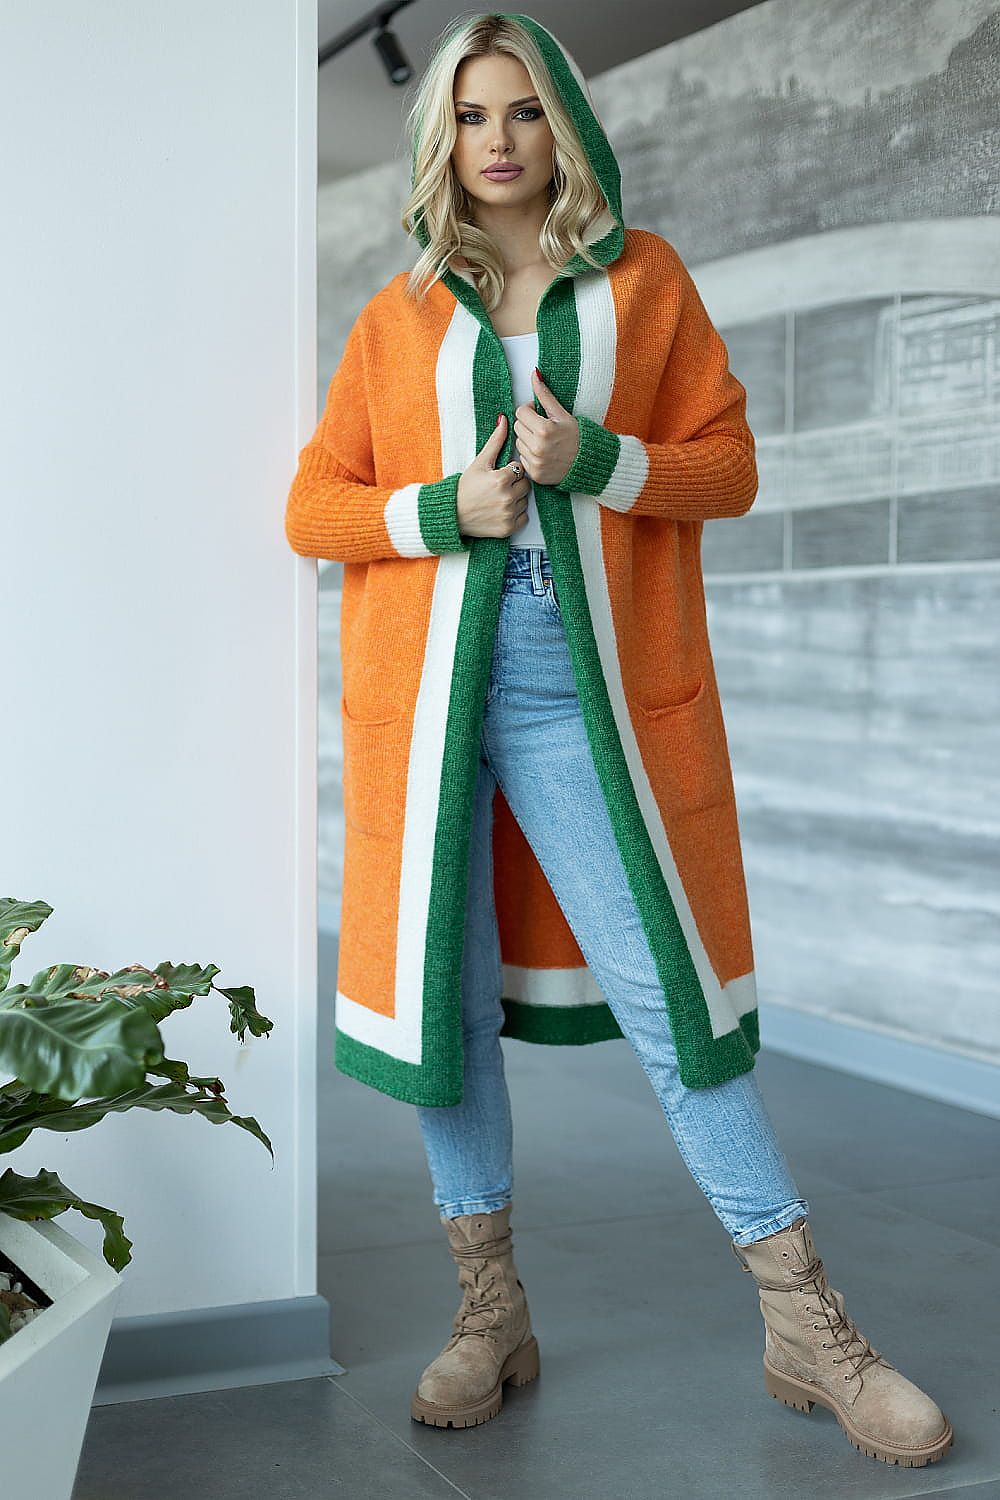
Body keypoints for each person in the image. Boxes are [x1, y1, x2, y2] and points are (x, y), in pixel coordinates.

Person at [284, 10, 953, 1468]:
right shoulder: (400, 316)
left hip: (574, 692)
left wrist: (596, 459)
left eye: (524, 110)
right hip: (428, 706)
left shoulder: (643, 283)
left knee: (672, 996)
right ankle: (490, 1314)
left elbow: (730, 466)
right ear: (441, 138)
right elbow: (312, 506)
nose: (500, 139)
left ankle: (807, 1325)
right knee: (450, 1016)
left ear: (565, 125)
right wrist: (439, 509)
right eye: (472, 115)